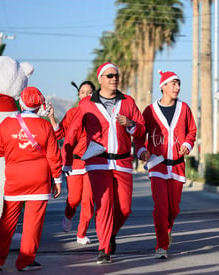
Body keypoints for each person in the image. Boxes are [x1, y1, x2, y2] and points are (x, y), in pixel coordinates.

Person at [62, 62, 145, 264]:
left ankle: (111, 234)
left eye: (116, 75)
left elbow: (142, 129)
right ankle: (104, 248)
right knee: (104, 205)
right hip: (97, 162)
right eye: (109, 76)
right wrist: (66, 161)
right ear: (100, 79)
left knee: (125, 209)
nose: (114, 78)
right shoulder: (87, 104)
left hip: (123, 162)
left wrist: (131, 124)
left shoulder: (128, 101)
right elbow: (72, 133)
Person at [0, 87, 62, 271]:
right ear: (39, 106)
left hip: (14, 179)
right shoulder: (45, 126)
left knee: (7, 221)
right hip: (39, 180)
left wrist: (13, 153)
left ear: (21, 103)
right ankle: (26, 261)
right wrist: (57, 180)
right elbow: (54, 156)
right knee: (32, 223)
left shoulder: (6, 124)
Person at [134, 70, 197, 259]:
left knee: (174, 208)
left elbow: (191, 131)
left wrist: (187, 144)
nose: (177, 87)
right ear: (163, 86)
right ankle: (161, 245)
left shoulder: (184, 108)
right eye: (173, 84)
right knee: (161, 206)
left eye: (178, 84)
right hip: (157, 165)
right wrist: (141, 151)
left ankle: (167, 228)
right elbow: (139, 136)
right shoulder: (149, 111)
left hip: (177, 165)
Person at [47, 81, 95, 245]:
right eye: (83, 92)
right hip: (74, 163)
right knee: (74, 199)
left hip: (93, 163)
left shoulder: (100, 114)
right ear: (79, 95)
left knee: (88, 201)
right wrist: (52, 117)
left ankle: (81, 234)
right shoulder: (72, 112)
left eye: (89, 92)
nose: (86, 94)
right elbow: (60, 134)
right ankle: (68, 215)